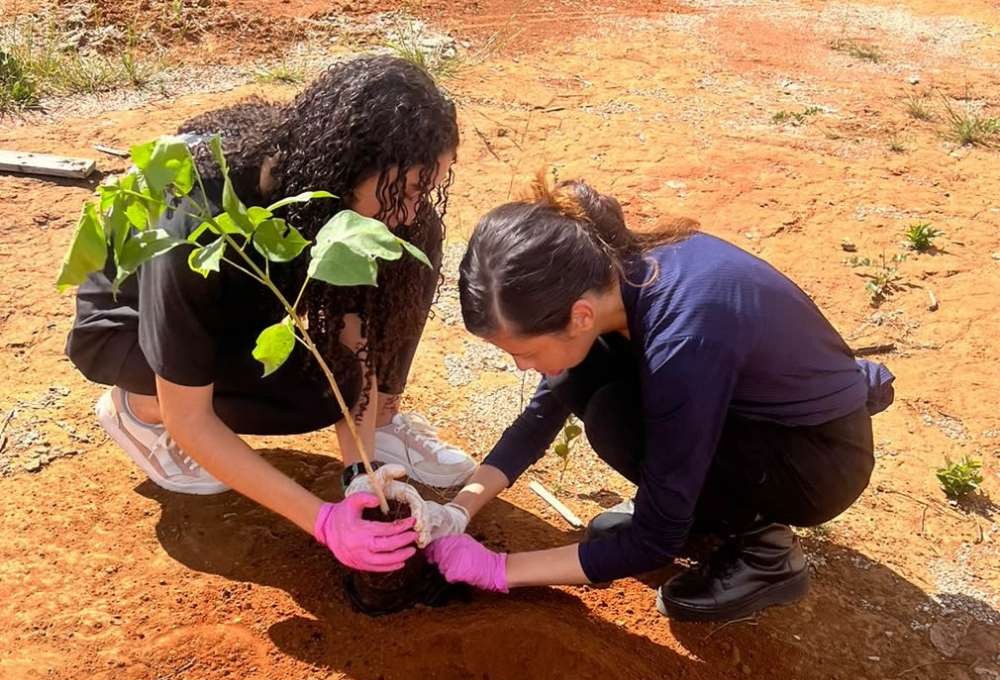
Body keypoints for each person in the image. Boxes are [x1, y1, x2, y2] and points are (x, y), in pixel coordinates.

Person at [66, 55, 474, 573]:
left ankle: (383, 422)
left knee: (409, 255)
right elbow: (191, 417)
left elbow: (354, 340)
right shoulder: (200, 216)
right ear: (352, 162)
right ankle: (140, 410)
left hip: (244, 304)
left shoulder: (328, 191)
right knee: (222, 400)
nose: (411, 207)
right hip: (127, 323)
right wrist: (324, 520)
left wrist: (360, 472)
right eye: (409, 188)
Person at [422, 176, 895, 621]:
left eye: (523, 351)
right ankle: (696, 507)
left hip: (816, 460)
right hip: (750, 418)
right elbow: (542, 413)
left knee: (615, 421)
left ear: (579, 315)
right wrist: (459, 509)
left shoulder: (683, 337)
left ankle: (762, 549)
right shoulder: (613, 275)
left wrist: (498, 569)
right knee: (575, 378)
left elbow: (653, 543)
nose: (521, 366)